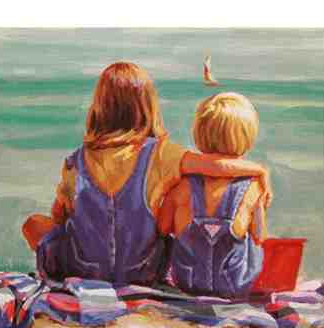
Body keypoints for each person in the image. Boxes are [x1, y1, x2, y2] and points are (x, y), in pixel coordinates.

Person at [22, 63, 271, 286]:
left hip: (84, 270)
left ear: (100, 106)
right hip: (143, 271)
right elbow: (215, 166)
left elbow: (59, 216)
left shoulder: (75, 161)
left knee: (34, 224)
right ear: (147, 105)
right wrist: (259, 171)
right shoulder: (160, 154)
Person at [157, 92, 267, 297]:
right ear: (247, 136)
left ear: (199, 133)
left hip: (187, 281)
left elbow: (162, 228)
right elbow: (259, 236)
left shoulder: (181, 186)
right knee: (253, 243)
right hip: (234, 284)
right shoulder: (253, 188)